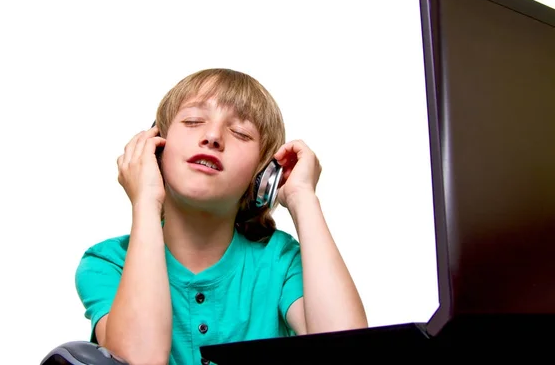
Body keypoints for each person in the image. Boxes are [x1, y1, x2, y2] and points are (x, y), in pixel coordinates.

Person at [75, 68, 367, 365]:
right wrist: (145, 201)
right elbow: (140, 360)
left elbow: (349, 355)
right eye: (192, 121)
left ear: (264, 175)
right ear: (156, 149)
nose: (213, 136)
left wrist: (303, 197)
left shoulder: (280, 261)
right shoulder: (107, 263)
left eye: (240, 133)